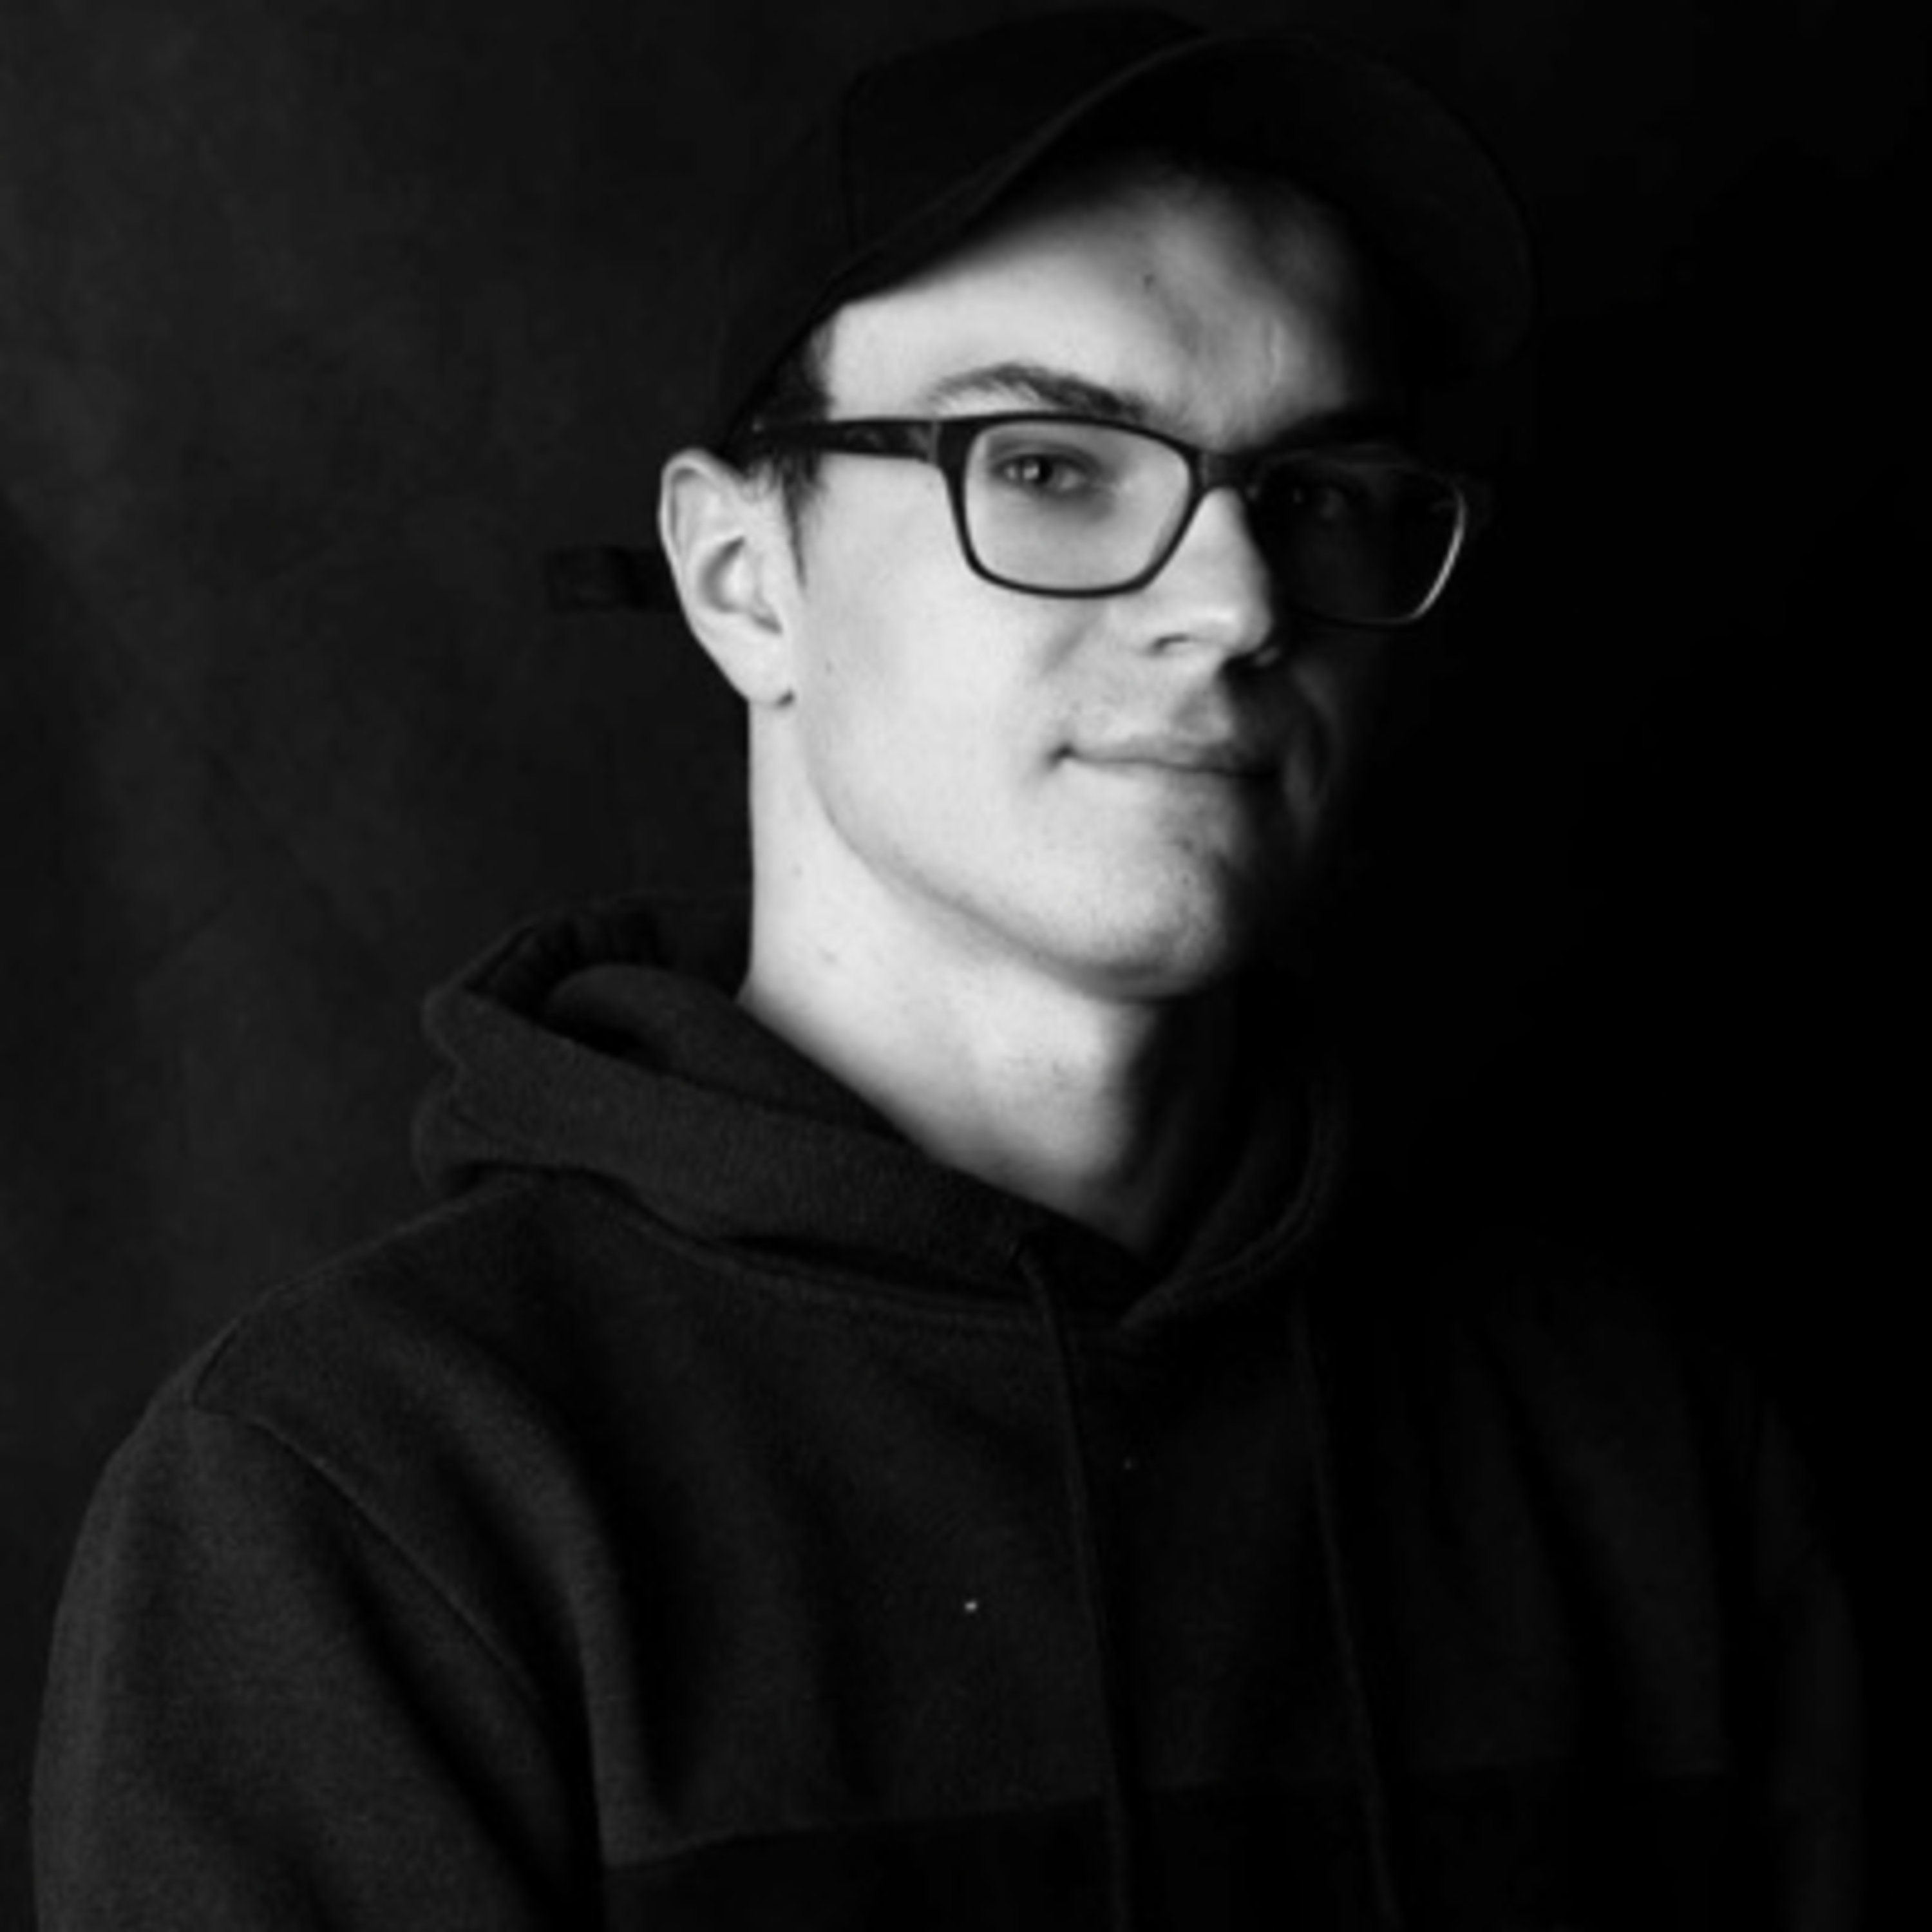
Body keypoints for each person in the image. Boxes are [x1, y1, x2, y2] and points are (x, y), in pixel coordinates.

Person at [34, 11, 1862, 1929]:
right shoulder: (367, 1499)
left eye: (1316, 492)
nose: (1237, 602)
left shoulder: (1636, 1460)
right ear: (743, 579)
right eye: (1053, 465)